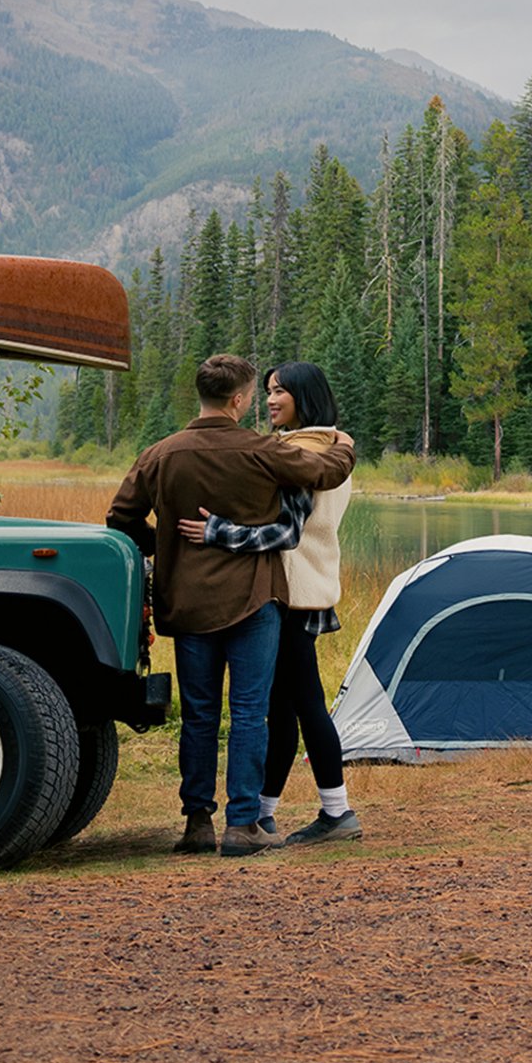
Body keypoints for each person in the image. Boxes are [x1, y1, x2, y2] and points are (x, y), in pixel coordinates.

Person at [106, 354, 354, 857]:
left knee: (199, 715)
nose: (266, 399)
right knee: (249, 715)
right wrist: (345, 448)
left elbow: (120, 517)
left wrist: (163, 547)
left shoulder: (161, 453)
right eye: (260, 392)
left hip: (189, 603)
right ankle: (243, 825)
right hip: (252, 602)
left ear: (202, 393)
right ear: (239, 399)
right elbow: (321, 471)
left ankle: (198, 823)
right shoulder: (263, 449)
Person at [177, 361, 359, 846]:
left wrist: (217, 531)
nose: (271, 400)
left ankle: (337, 812)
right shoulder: (329, 446)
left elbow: (286, 531)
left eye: (281, 392)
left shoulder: (303, 452)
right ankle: (263, 813)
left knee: (304, 705)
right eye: (270, 391)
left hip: (292, 591)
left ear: (305, 398)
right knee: (282, 707)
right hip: (304, 587)